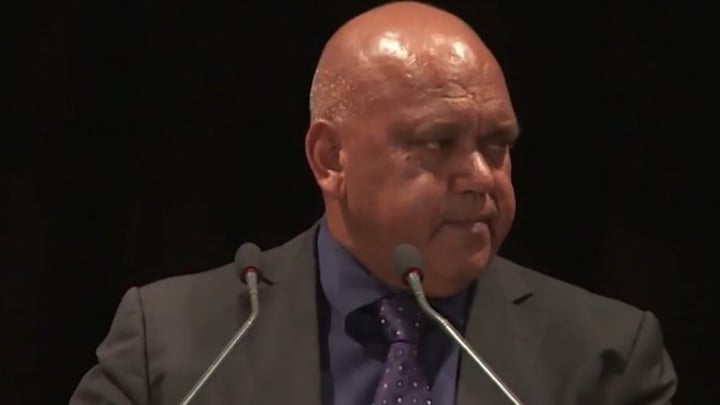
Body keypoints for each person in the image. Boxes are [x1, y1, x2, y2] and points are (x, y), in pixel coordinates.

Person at [69, 1, 677, 404]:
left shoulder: (606, 358)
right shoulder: (172, 342)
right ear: (331, 158)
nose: (481, 178)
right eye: (438, 143)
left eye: (497, 147)